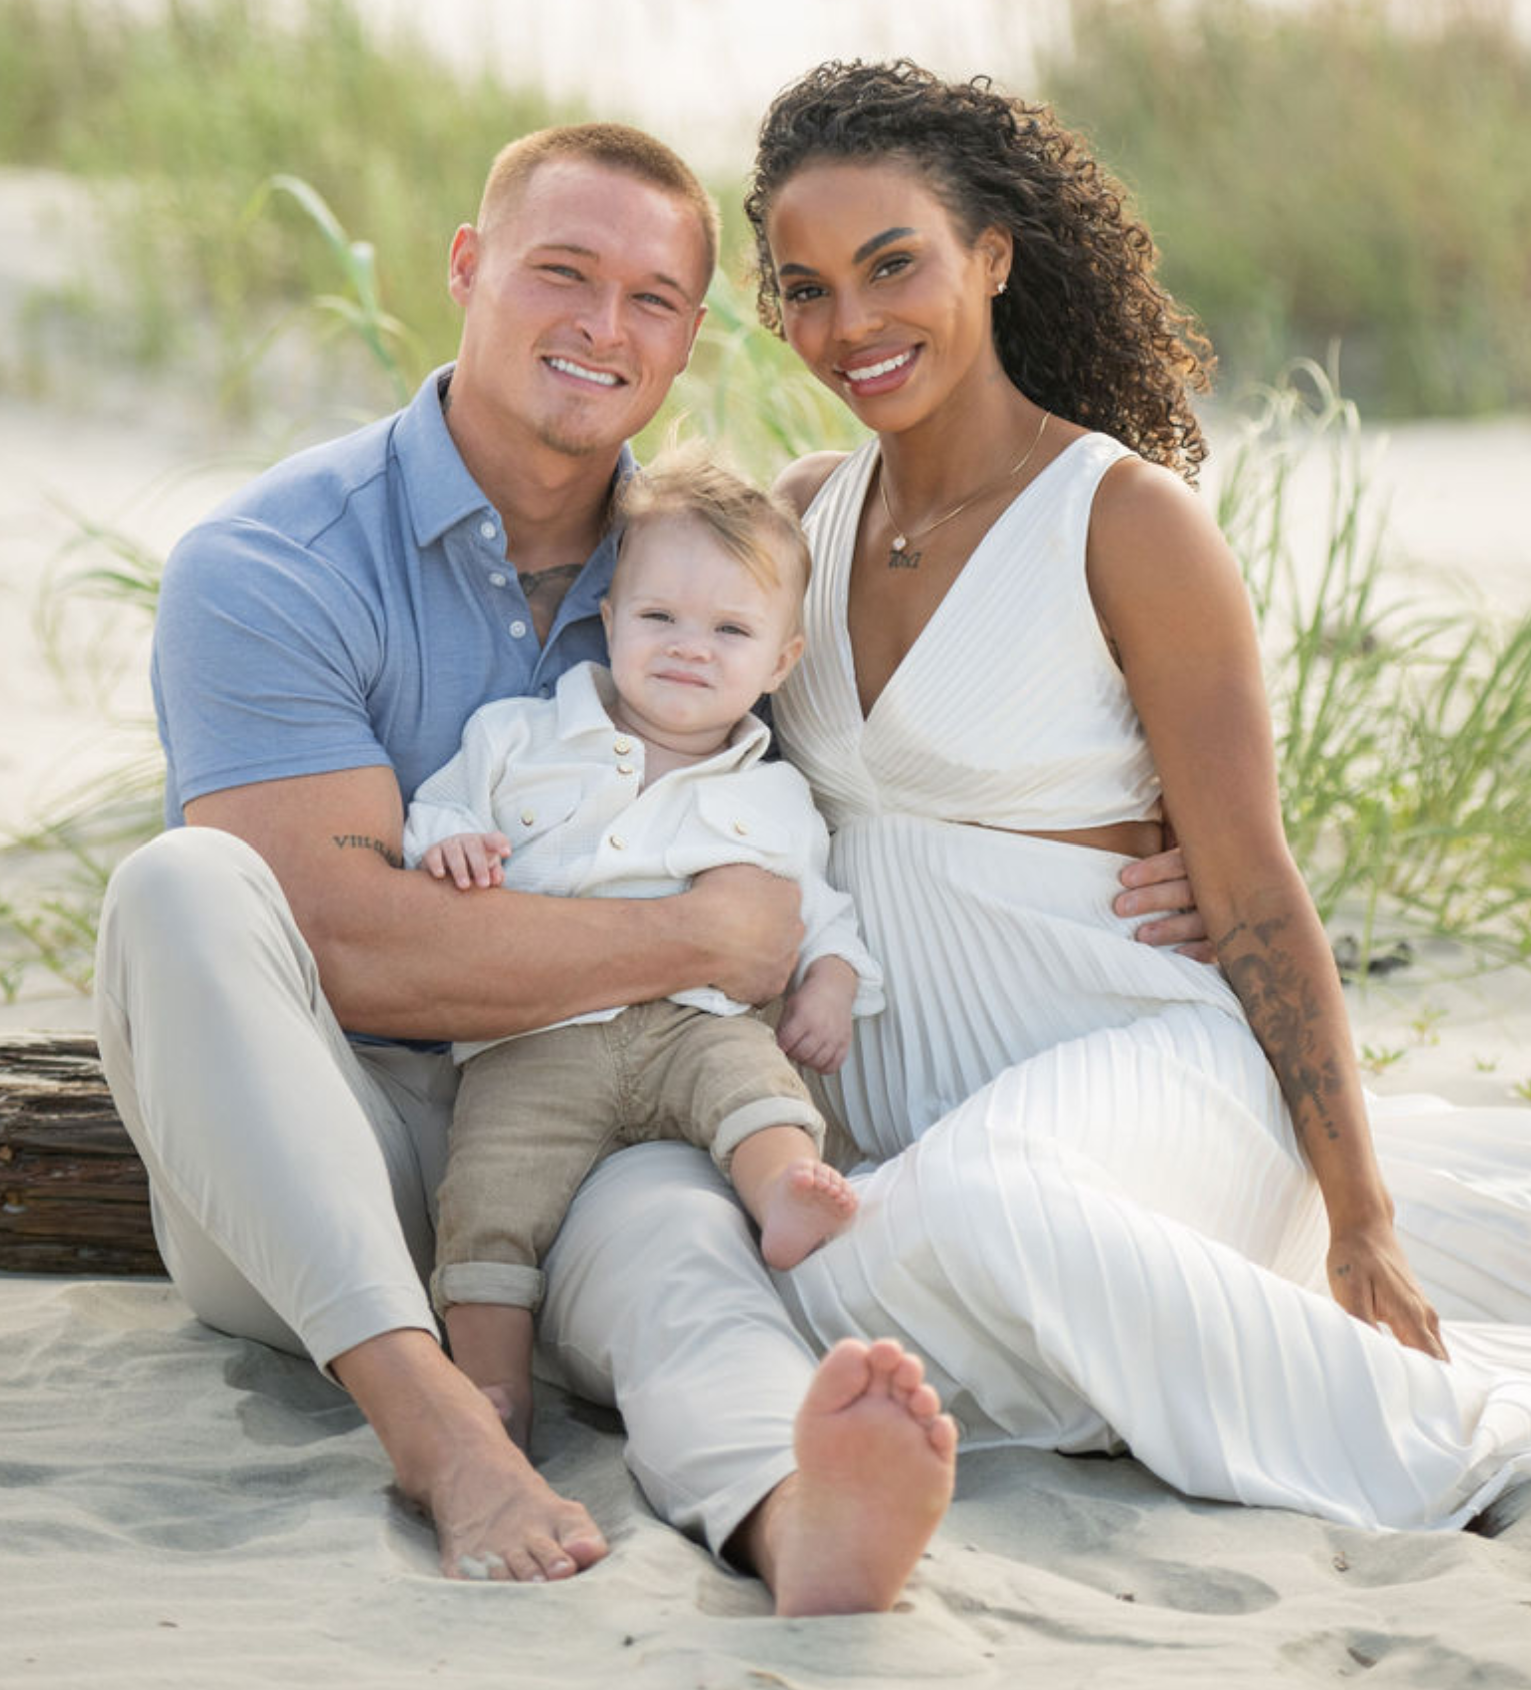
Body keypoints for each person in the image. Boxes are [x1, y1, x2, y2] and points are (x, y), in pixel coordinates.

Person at [100, 115, 1223, 1610]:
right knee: (174, 886)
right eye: (560, 273)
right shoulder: (272, 563)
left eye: (650, 298)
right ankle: (436, 1424)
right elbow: (348, 939)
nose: (599, 326)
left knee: (683, 1249)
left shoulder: (705, 571)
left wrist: (1157, 845)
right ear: (465, 268)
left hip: (610, 1111)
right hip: (332, 1151)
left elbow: (885, 780)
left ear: (689, 337)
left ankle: (791, 1517)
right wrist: (701, 943)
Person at [689, 56, 1530, 1558]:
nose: (850, 324)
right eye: (802, 287)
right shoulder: (802, 513)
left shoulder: (1121, 519)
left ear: (991, 258)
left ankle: (1456, 1429)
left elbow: (1255, 887)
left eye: (894, 265)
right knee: (803, 1262)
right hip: (899, 1107)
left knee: (988, 1214)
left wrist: (1359, 1219)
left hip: (1136, 1051)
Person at [401, 448, 881, 1448]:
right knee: (490, 1188)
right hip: (536, 1033)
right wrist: (449, 839)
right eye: (658, 616)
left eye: (731, 629)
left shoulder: (775, 794)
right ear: (609, 617)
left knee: (753, 1084)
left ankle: (784, 1188)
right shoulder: (519, 737)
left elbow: (821, 918)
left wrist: (828, 988)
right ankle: (490, 1383)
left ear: (780, 661)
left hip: (692, 1025)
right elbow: (436, 805)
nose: (688, 648)